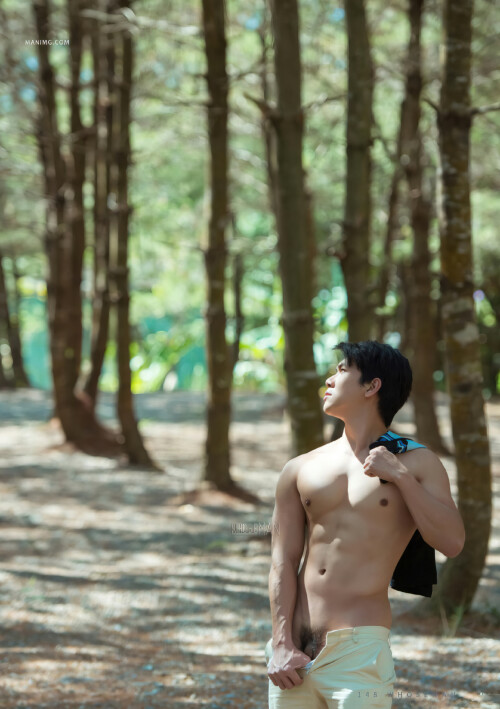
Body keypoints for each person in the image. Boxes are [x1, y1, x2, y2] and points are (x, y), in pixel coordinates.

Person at [265, 341, 465, 708]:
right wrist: (280, 643)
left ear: (372, 386)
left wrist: (400, 476)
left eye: (342, 370)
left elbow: (452, 542)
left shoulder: (419, 463)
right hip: (292, 653)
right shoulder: (300, 468)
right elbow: (282, 560)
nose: (329, 379)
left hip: (358, 652)